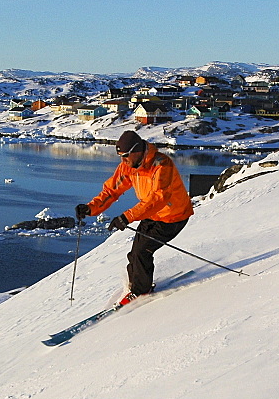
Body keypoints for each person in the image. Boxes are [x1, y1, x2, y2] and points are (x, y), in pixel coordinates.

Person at [76, 130, 193, 306]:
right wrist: (90, 208)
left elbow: (158, 198)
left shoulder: (162, 165)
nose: (123, 161)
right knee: (135, 253)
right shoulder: (129, 167)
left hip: (173, 216)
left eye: (126, 156)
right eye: (121, 157)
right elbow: (112, 190)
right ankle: (135, 286)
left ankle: (141, 291)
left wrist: (126, 217)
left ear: (137, 150)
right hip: (151, 214)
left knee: (142, 252)